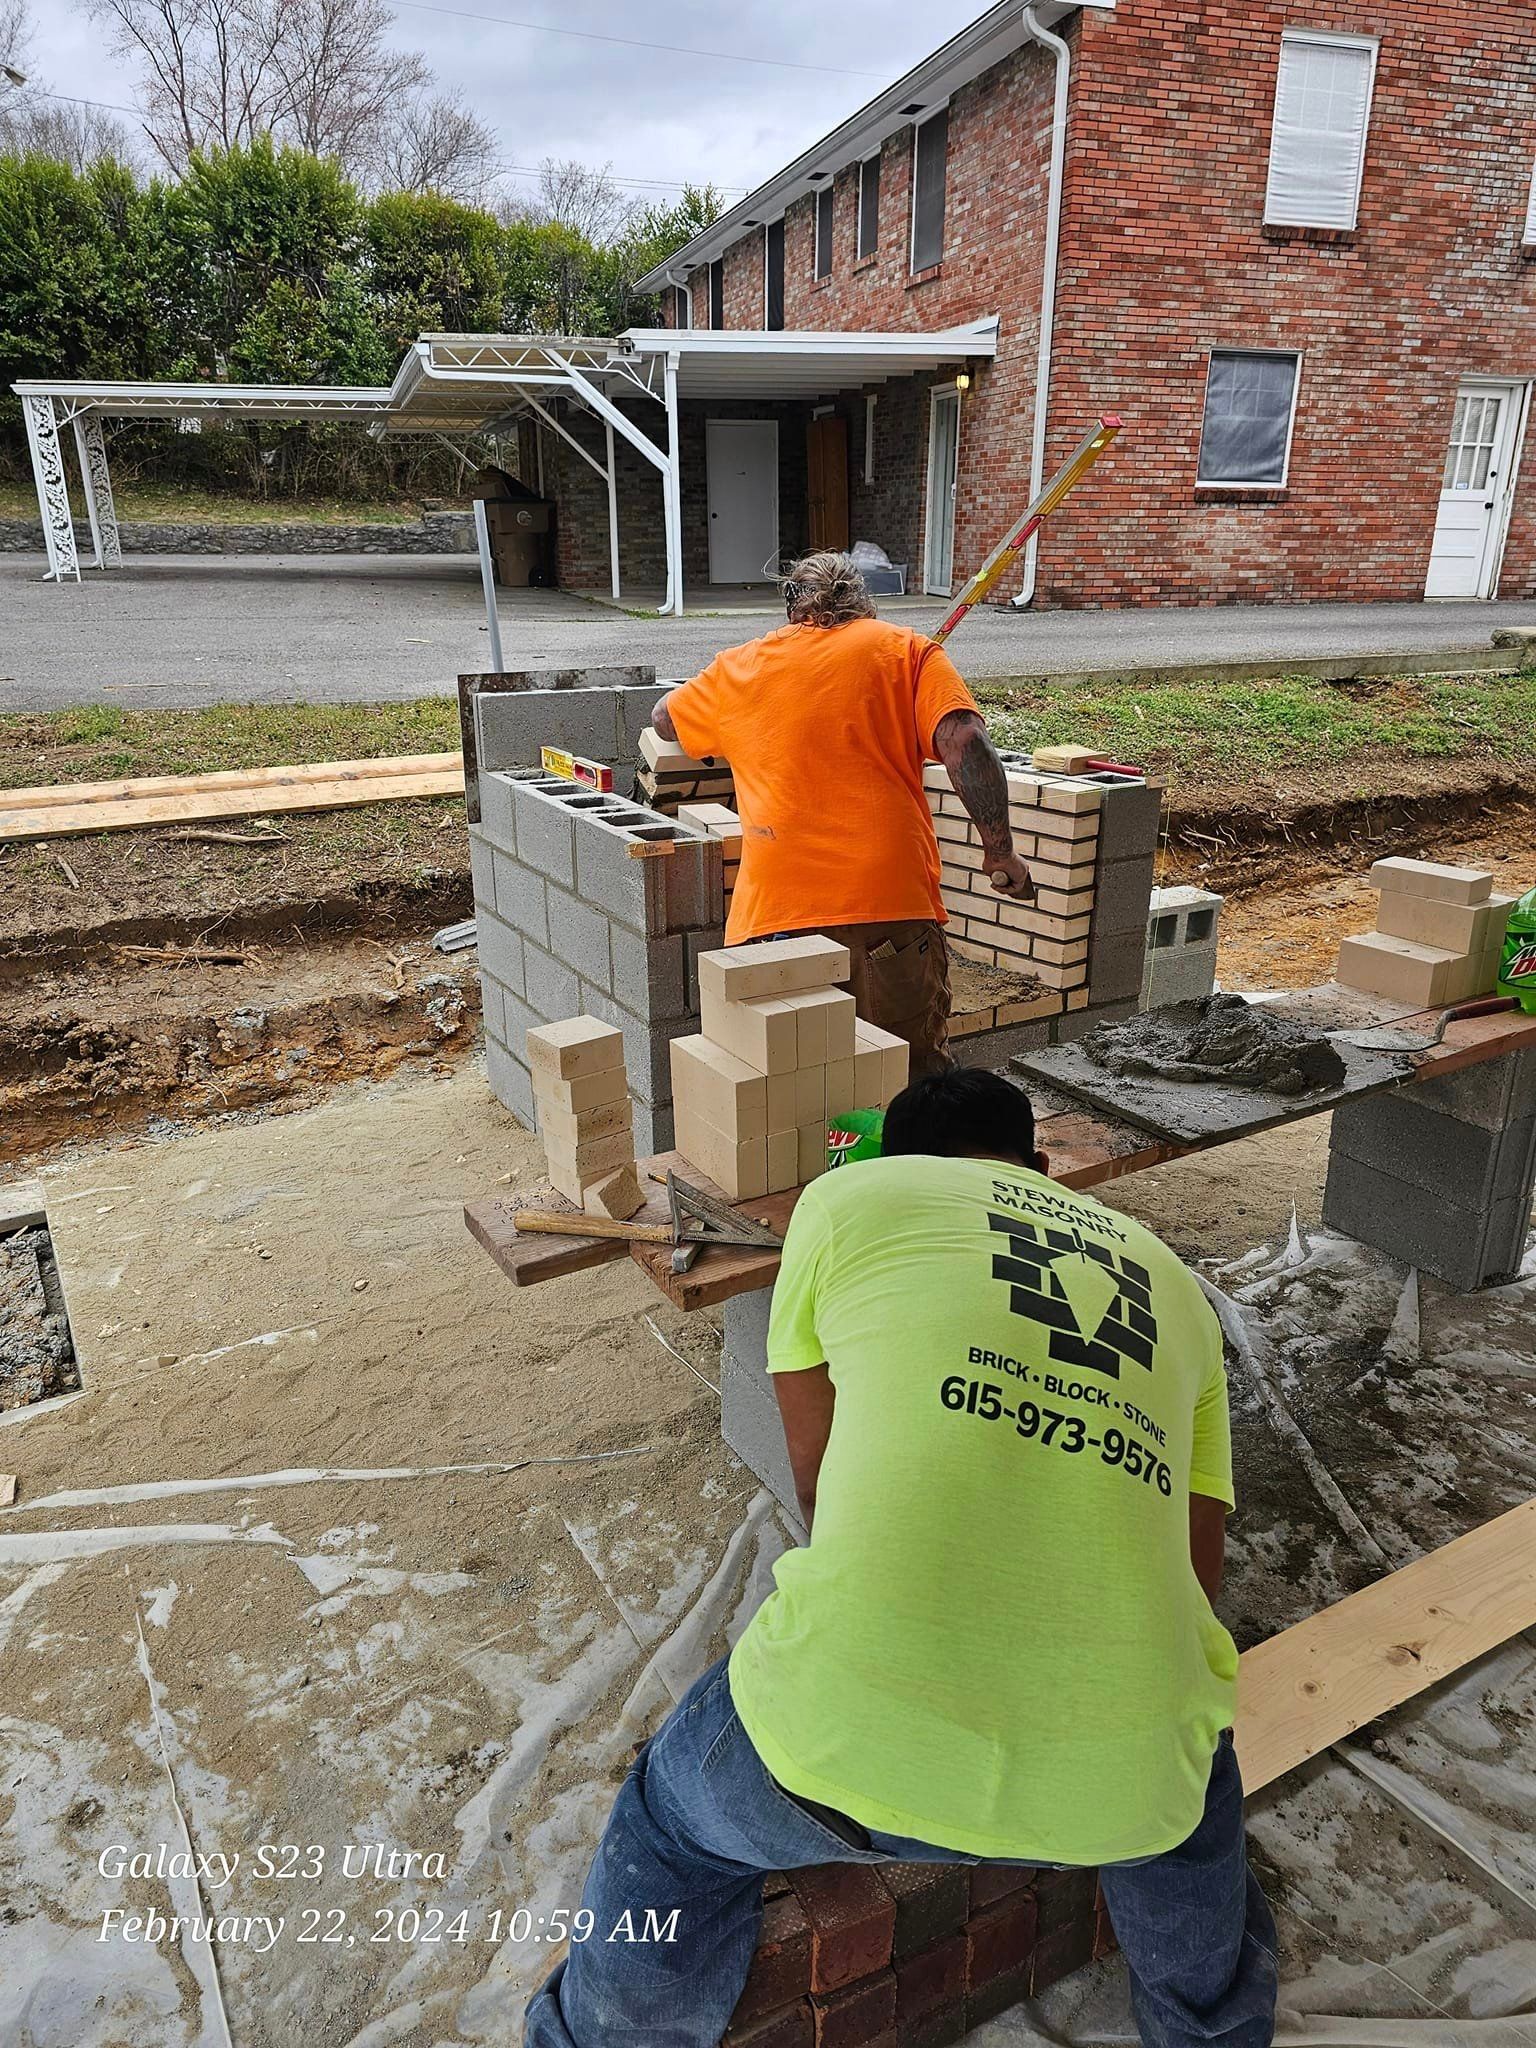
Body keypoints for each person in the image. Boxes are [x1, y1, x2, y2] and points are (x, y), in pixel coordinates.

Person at [524, 1068, 1278, 2048]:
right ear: (1042, 1169)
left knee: (668, 1819)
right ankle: (1213, 2028)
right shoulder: (1171, 1281)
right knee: (1183, 1775)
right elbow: (1195, 1579)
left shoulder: (845, 1200)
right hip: (1122, 1781)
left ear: (898, 1159)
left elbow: (817, 1481)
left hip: (838, 1746)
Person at [652, 550, 1033, 1076]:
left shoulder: (738, 666)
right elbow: (963, 738)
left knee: (796, 1089)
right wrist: (1000, 851)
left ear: (792, 607)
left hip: (774, 916)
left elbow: (663, 719)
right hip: (884, 912)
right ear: (862, 601)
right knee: (904, 1078)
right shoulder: (906, 651)